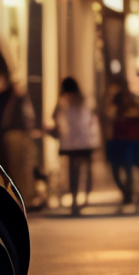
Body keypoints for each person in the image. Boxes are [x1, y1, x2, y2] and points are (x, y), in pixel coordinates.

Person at [51, 76, 101, 214]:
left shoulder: (62, 102)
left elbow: (54, 117)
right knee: (85, 169)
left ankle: (75, 199)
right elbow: (93, 120)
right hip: (85, 141)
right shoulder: (86, 100)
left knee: (73, 171)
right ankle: (84, 197)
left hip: (70, 142)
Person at [106, 83, 139, 213]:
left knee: (126, 169)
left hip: (128, 142)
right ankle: (127, 192)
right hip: (120, 142)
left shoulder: (134, 109)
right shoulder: (115, 110)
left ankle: (129, 193)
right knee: (119, 170)